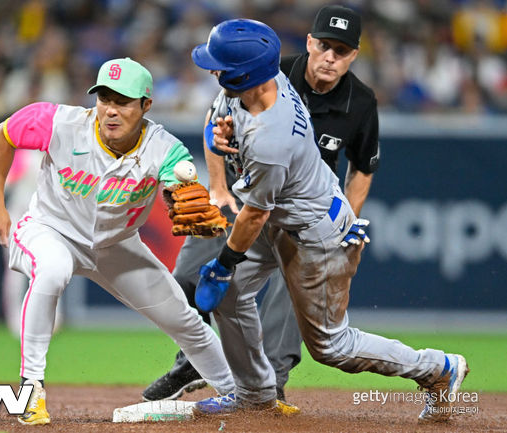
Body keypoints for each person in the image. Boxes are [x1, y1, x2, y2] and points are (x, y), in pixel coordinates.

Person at [190, 18, 468, 423]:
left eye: (222, 66)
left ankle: (437, 368)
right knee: (231, 295)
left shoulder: (272, 135)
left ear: (247, 74)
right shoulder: (263, 80)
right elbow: (217, 120)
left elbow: (254, 213)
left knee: (331, 346)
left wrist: (224, 263)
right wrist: (221, 148)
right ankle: (254, 394)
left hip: (314, 233)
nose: (214, 71)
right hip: (285, 215)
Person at [142, 4, 380, 403]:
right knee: (187, 277)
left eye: (341, 50)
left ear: (354, 54)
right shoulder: (268, 70)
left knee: (285, 308)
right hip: (242, 199)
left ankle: (272, 391)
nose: (329, 57)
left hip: (299, 215)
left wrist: (346, 224)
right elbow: (213, 118)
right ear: (310, 42)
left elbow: (363, 167)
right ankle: (195, 361)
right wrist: (216, 186)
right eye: (324, 45)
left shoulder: (361, 102)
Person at [0, 57, 236, 425]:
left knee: (184, 319)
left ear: (146, 105)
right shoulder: (60, 122)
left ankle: (236, 394)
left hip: (116, 245)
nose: (111, 110)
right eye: (104, 99)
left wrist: (182, 193)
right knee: (52, 271)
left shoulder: (164, 148)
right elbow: (2, 136)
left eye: (123, 101)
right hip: (50, 229)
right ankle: (30, 389)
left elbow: (179, 182)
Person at [0, 149, 65, 336]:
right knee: (23, 271)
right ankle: (18, 320)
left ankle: (49, 319)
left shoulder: (56, 156)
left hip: (44, 221)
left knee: (47, 270)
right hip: (21, 221)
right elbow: (1, 180)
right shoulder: (27, 156)